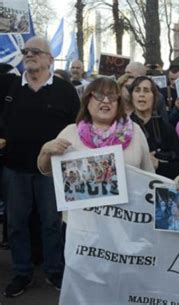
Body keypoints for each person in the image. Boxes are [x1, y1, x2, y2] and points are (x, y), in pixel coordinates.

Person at [0, 36, 80, 297]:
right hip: (14, 169)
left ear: (49, 59)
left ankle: (55, 271)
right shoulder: (7, 86)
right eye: (26, 51)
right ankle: (21, 272)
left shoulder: (65, 90)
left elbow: (78, 128)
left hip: (52, 171)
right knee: (16, 224)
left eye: (36, 51)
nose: (29, 54)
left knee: (51, 223)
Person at [129, 76, 179, 179]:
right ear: (131, 96)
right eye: (137, 90)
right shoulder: (121, 128)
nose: (141, 95)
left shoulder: (167, 129)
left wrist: (157, 164)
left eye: (146, 91)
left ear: (154, 97)